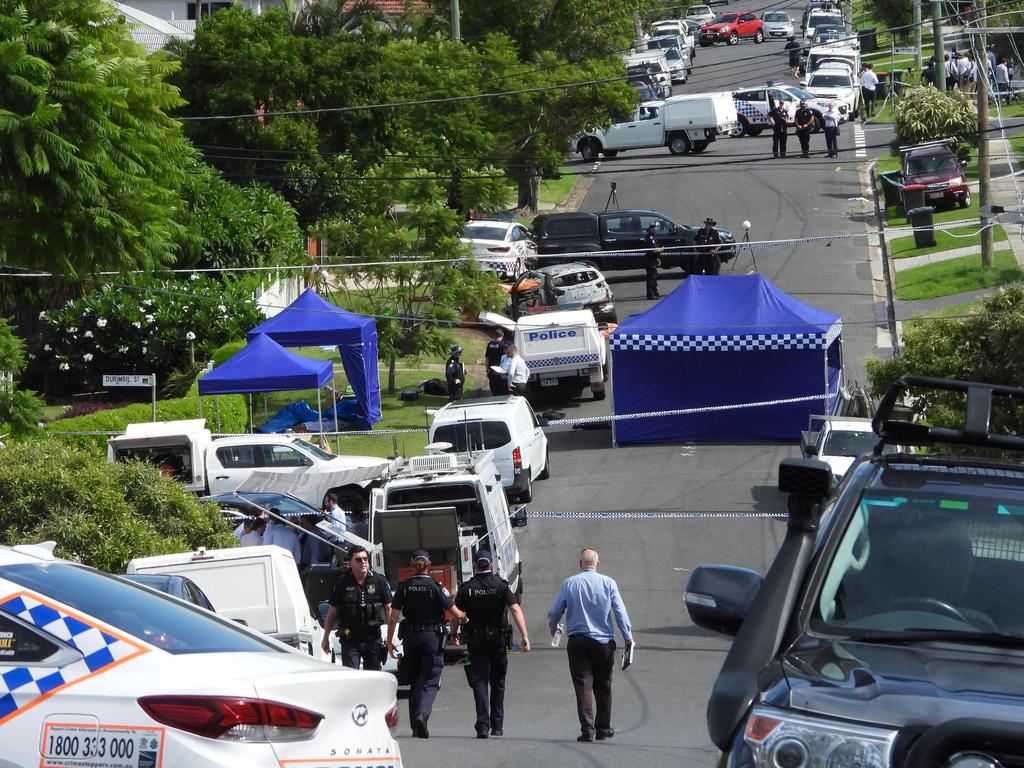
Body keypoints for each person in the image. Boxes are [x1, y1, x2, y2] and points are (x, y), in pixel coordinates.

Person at [547, 548, 633, 743]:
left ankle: (587, 730)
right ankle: (603, 728)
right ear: (597, 564)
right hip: (603, 642)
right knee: (604, 685)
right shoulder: (609, 583)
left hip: (578, 642)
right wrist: (628, 636)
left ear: (580, 564)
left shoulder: (570, 583)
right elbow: (620, 611)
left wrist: (553, 628)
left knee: (583, 686)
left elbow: (554, 611)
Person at [451, 549, 531, 739]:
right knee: (498, 682)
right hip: (498, 641)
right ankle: (497, 725)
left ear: (475, 567)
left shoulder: (467, 588)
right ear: (491, 566)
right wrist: (524, 635)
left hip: (476, 641)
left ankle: (483, 725)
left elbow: (455, 614)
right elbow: (515, 609)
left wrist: (453, 634)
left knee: (479, 682)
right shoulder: (500, 585)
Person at [387, 549, 465, 738]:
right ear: (429, 565)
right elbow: (455, 613)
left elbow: (392, 618)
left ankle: (415, 724)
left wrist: (390, 641)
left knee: (414, 680)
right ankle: (422, 715)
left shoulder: (404, 587)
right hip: (432, 637)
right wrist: (464, 617)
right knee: (429, 680)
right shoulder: (436, 586)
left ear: (412, 565)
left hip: (411, 638)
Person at [322, 545, 393, 670]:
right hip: (350, 639)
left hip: (373, 639)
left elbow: (389, 608)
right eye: (359, 560)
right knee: (352, 677)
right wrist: (325, 637)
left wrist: (390, 635)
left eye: (365, 559)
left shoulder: (379, 581)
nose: (363, 562)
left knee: (373, 678)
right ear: (350, 562)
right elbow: (332, 610)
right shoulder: (342, 583)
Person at [642, 223, 664, 299]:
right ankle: (650, 294)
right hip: (650, 260)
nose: (656, 231)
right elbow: (653, 250)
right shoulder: (649, 238)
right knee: (651, 277)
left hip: (653, 259)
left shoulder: (652, 238)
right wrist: (660, 249)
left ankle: (655, 292)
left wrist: (657, 258)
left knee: (654, 277)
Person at [485, 329, 507, 396]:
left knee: (494, 389)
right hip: (500, 371)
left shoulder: (489, 345)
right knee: (502, 390)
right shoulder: (503, 346)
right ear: (502, 336)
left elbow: (487, 359)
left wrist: (487, 369)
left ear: (494, 336)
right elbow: (505, 359)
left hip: (491, 370)